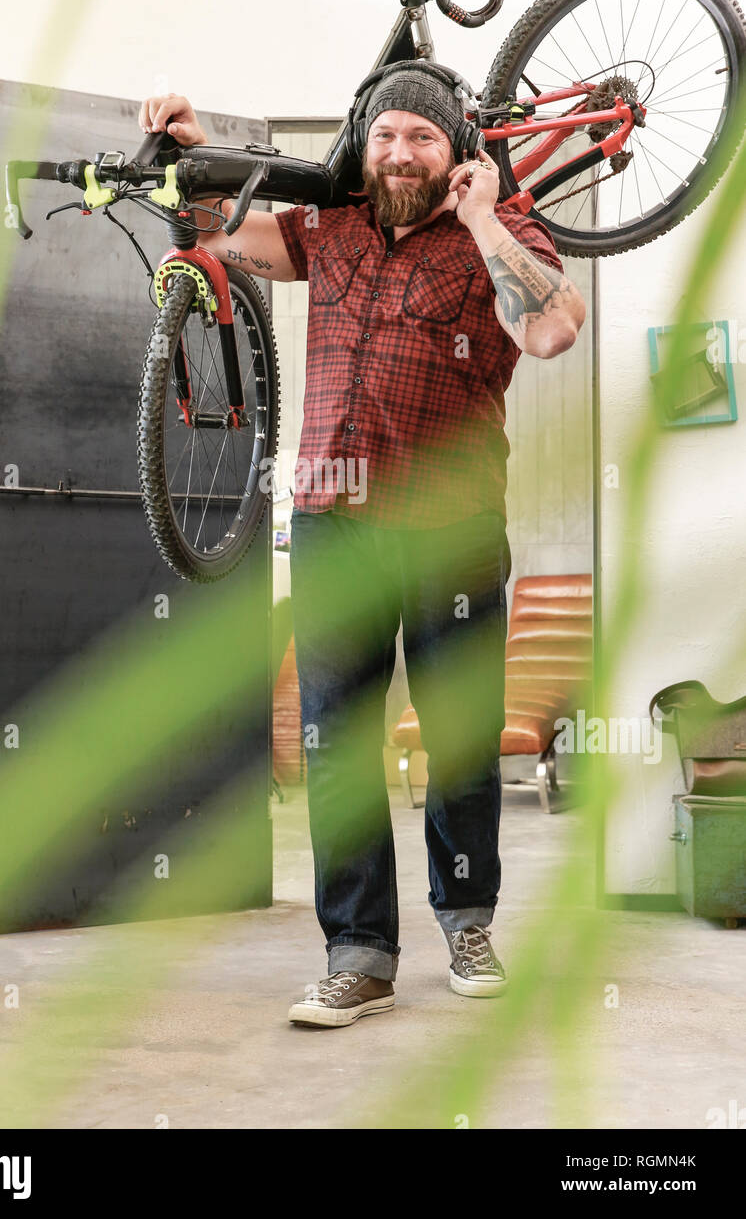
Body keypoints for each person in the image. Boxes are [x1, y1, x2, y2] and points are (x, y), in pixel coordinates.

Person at [138, 66, 586, 1028]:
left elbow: (552, 330)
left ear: (454, 150)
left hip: (452, 532)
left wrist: (486, 220)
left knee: (459, 744)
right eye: (385, 136)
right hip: (336, 524)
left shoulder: (497, 238)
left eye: (421, 138)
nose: (399, 153)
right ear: (365, 144)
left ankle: (467, 923)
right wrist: (190, 142)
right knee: (336, 748)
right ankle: (360, 953)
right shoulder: (331, 231)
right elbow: (218, 229)